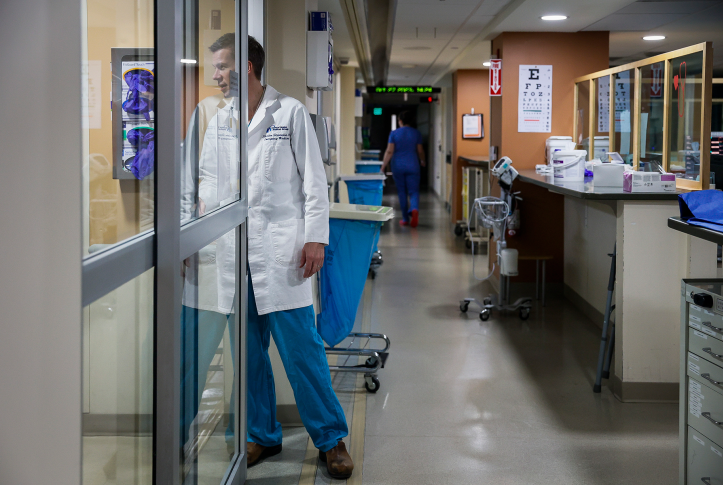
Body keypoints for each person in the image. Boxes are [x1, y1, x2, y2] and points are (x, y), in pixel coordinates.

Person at [245, 35, 354, 478]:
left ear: (246, 67)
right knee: (248, 355)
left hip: (283, 253)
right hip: (239, 255)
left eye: (221, 66)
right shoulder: (221, 120)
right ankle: (262, 434)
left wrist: (316, 238)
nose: (214, 76)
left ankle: (331, 438)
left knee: (301, 352)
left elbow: (313, 182)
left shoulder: (288, 112)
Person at [380, 110, 426, 227]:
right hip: (413, 165)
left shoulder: (394, 133)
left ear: (400, 121)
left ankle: (405, 218)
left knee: (401, 192)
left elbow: (390, 151)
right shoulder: (416, 133)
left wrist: (383, 166)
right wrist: (423, 160)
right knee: (414, 191)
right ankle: (414, 209)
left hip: (398, 166)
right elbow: (420, 151)